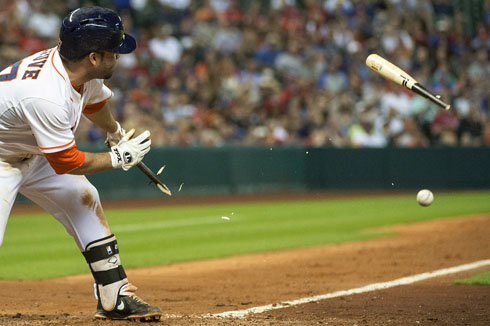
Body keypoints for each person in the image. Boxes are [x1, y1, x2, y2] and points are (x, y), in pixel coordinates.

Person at [0, 6, 162, 322]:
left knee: (83, 199)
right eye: (113, 51)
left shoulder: (77, 67)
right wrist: (119, 157)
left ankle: (115, 297)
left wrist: (114, 132)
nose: (118, 56)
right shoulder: (46, 94)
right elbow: (66, 161)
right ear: (94, 57)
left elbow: (96, 102)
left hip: (28, 151)